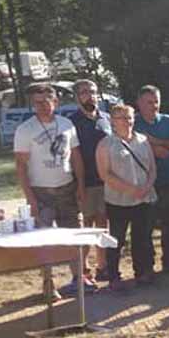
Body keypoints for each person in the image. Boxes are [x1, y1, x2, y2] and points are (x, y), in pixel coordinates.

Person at [14, 83, 91, 297]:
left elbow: (76, 156)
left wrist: (81, 185)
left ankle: (79, 278)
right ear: (32, 103)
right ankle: (48, 284)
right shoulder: (25, 130)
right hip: (41, 191)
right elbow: (20, 165)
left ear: (56, 102)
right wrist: (31, 199)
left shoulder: (66, 124)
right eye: (38, 102)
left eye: (47, 101)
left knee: (74, 235)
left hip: (67, 188)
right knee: (44, 239)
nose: (43, 106)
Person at [96, 104, 157, 290]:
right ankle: (114, 276)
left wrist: (146, 186)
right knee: (117, 239)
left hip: (144, 199)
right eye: (122, 118)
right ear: (113, 121)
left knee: (142, 238)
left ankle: (142, 273)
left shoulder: (143, 140)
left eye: (130, 117)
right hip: (118, 201)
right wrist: (130, 189)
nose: (127, 121)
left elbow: (152, 168)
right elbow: (104, 174)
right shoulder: (106, 144)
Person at [134, 85, 169, 274]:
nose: (153, 105)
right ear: (139, 103)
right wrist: (153, 150)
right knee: (145, 226)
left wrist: (157, 142)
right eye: (149, 102)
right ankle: (147, 266)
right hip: (145, 183)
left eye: (156, 101)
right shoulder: (134, 123)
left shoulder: (168, 121)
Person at [70, 79, 111, 281]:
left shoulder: (107, 118)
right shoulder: (71, 123)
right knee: (84, 228)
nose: (90, 95)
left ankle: (103, 267)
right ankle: (83, 271)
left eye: (93, 91)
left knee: (103, 227)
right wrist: (78, 185)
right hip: (84, 184)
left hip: (106, 183)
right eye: (85, 92)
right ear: (77, 97)